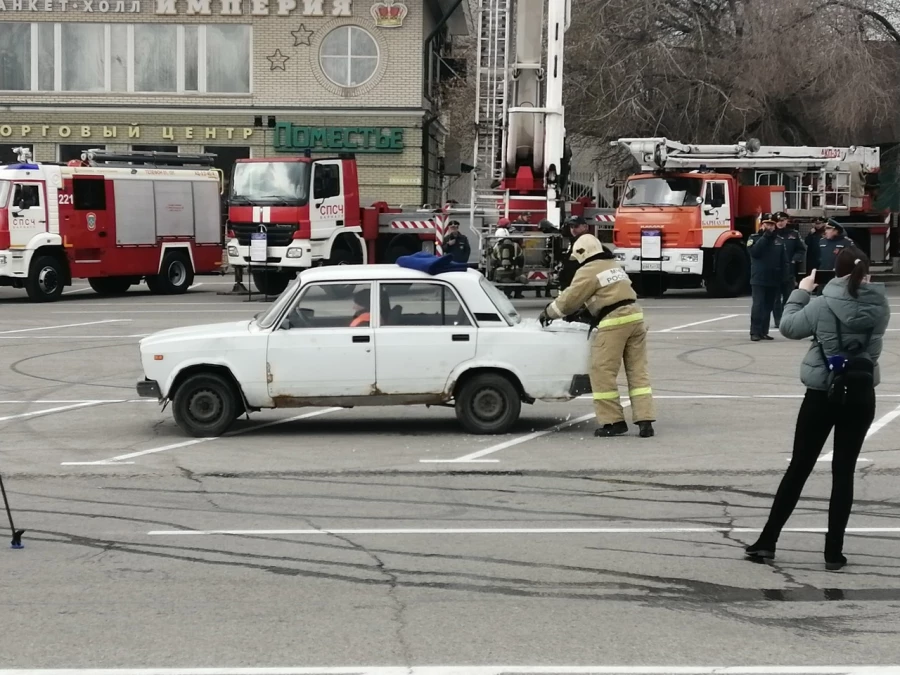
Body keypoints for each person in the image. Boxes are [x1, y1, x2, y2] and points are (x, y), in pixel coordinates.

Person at [744, 248, 890, 571]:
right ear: (868, 275)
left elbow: (789, 326)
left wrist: (801, 292)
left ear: (834, 273)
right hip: (861, 395)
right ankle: (833, 552)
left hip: (824, 393)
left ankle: (768, 541)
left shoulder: (823, 304)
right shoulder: (880, 307)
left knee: (799, 467)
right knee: (844, 472)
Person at [538, 233, 655, 438]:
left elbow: (569, 298)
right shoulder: (612, 265)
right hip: (635, 317)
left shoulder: (588, 270)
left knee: (602, 371)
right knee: (637, 371)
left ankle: (613, 421)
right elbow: (608, 294)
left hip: (614, 322)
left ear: (583, 253)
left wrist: (549, 312)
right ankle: (645, 421)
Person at [747, 218, 790, 341]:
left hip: (774, 278)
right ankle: (754, 332)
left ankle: (763, 331)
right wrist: (765, 237)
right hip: (759, 278)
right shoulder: (754, 238)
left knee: (768, 306)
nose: (770, 227)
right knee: (758, 305)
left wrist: (785, 277)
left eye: (772, 224)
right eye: (767, 224)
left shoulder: (779, 240)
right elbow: (754, 252)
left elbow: (784, 260)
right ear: (762, 225)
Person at [773, 212, 807, 329]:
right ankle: (778, 320)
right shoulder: (771, 235)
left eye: (782, 220)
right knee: (776, 298)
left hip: (789, 272)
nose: (780, 223)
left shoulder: (793, 234)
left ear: (787, 221)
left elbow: (801, 250)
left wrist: (794, 260)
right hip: (775, 271)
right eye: (778, 221)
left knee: (788, 297)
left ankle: (787, 318)